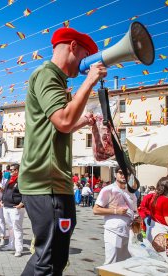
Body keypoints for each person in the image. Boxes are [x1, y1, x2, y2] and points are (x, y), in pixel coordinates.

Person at [18, 26, 106, 275]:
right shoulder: (47, 74)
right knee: (49, 262)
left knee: (52, 258)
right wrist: (90, 81)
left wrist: (84, 120)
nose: (84, 65)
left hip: (52, 183)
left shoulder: (56, 79)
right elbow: (64, 121)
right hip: (47, 183)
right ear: (73, 47)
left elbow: (61, 127)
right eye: (85, 57)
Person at [93, 168, 139, 265]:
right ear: (115, 174)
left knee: (126, 265)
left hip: (130, 233)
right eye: (121, 173)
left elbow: (134, 210)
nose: (123, 175)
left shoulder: (131, 191)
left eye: (126, 173)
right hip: (113, 232)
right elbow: (96, 210)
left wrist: (137, 218)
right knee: (111, 263)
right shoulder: (108, 189)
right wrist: (115, 211)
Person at [2, 164, 24, 257]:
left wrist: (22, 204)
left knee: (17, 228)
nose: (10, 172)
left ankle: (18, 249)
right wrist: (3, 200)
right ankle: (11, 245)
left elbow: (26, 193)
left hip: (16, 208)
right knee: (10, 228)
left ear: (17, 170)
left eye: (12, 170)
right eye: (10, 170)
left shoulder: (21, 180)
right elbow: (5, 191)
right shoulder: (10, 179)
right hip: (6, 207)